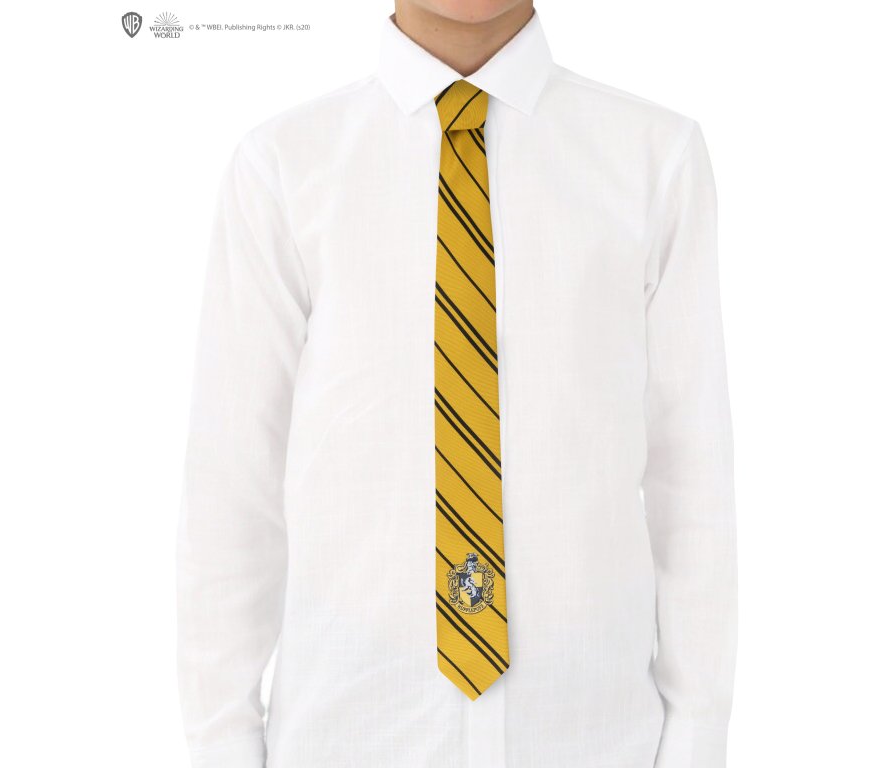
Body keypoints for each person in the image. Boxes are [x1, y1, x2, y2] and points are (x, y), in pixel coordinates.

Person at [175, 2, 737, 767]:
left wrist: (697, 743)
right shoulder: (283, 169)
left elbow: (693, 481)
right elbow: (231, 492)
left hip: (594, 739)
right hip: (348, 739)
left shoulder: (654, 160)